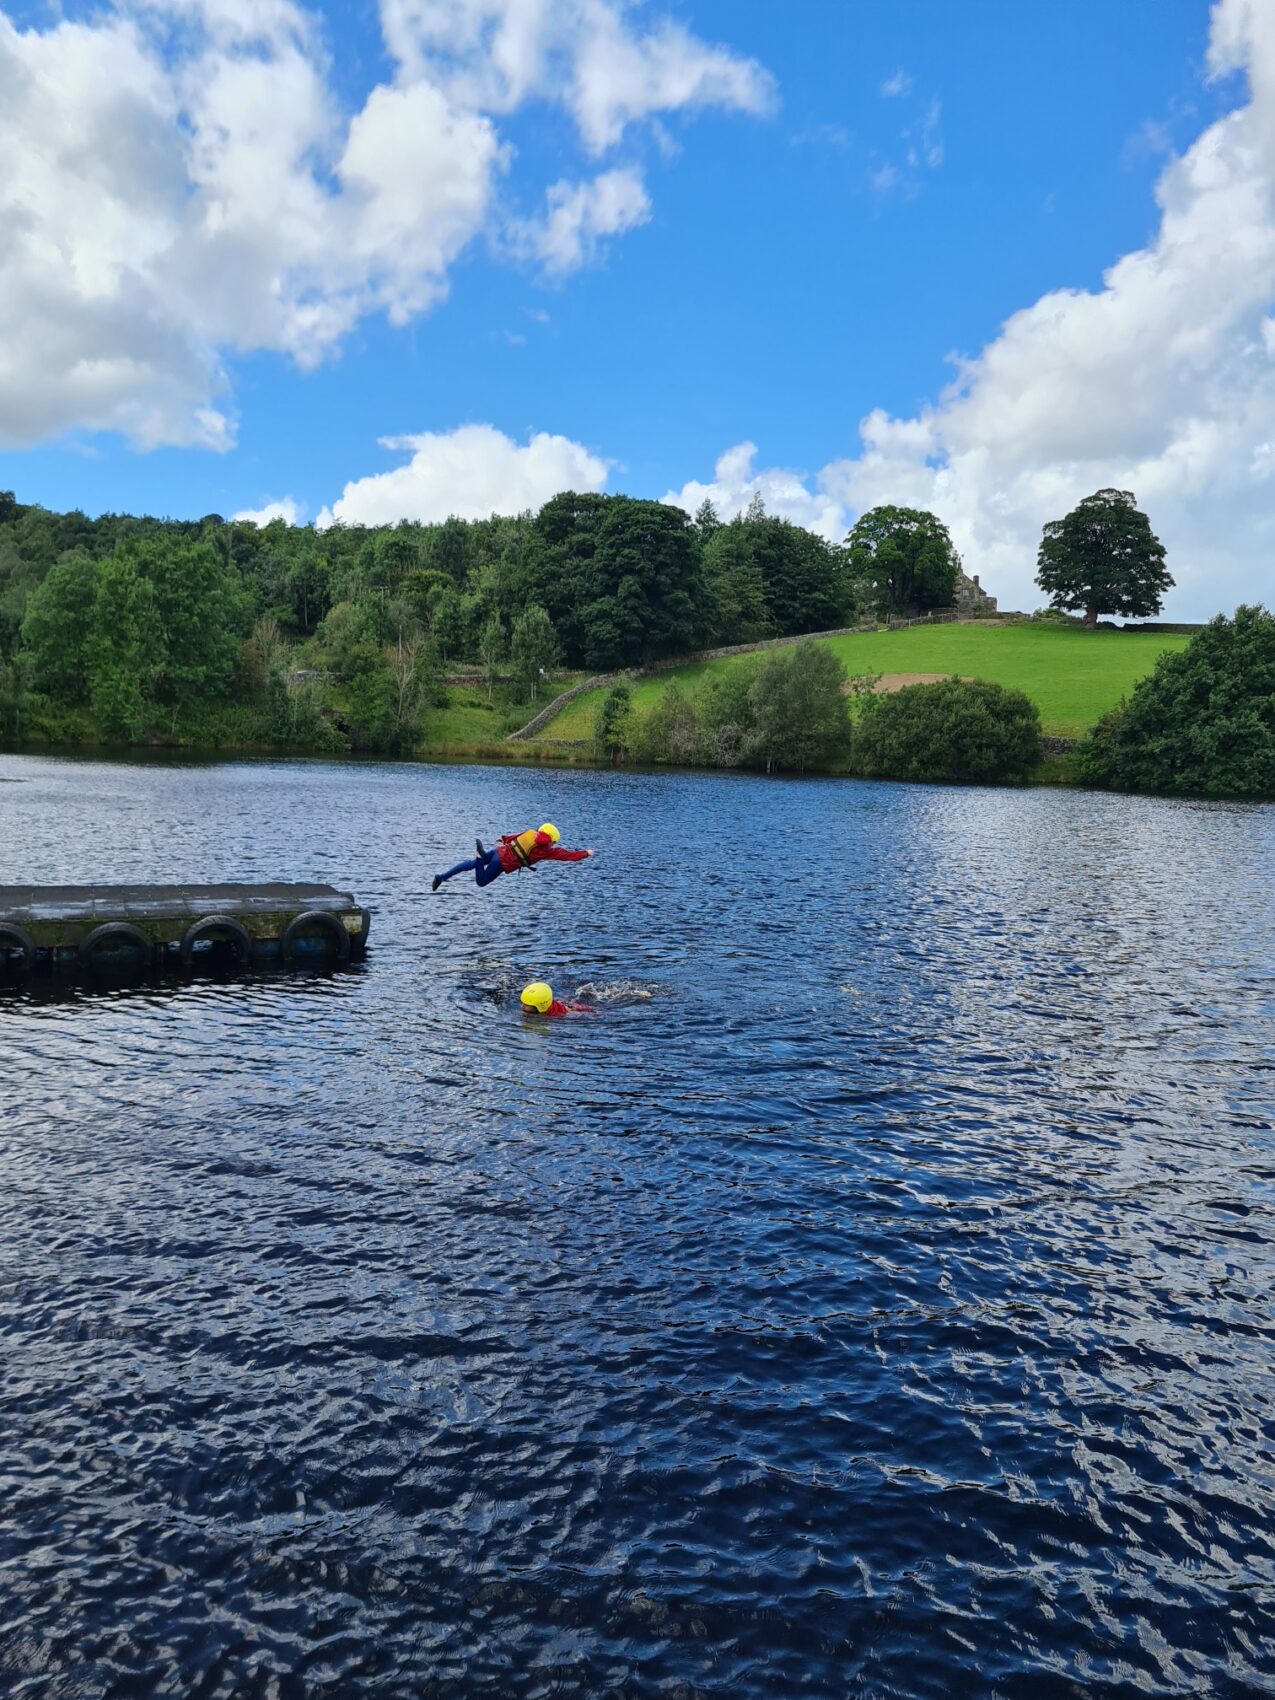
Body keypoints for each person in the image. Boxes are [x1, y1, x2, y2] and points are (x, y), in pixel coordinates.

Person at [432, 823, 593, 892]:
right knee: (481, 881)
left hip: (499, 851)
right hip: (501, 863)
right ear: (551, 839)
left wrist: (503, 839)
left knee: (470, 864)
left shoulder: (531, 833)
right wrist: (586, 853)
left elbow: (512, 836)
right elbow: (567, 856)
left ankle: (442, 877)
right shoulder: (547, 851)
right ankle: (480, 858)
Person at [520, 982, 598, 1018]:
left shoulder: (556, 1015)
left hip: (571, 1009)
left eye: (527, 1005)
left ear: (541, 1006)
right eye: (523, 1003)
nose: (522, 1007)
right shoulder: (544, 1005)